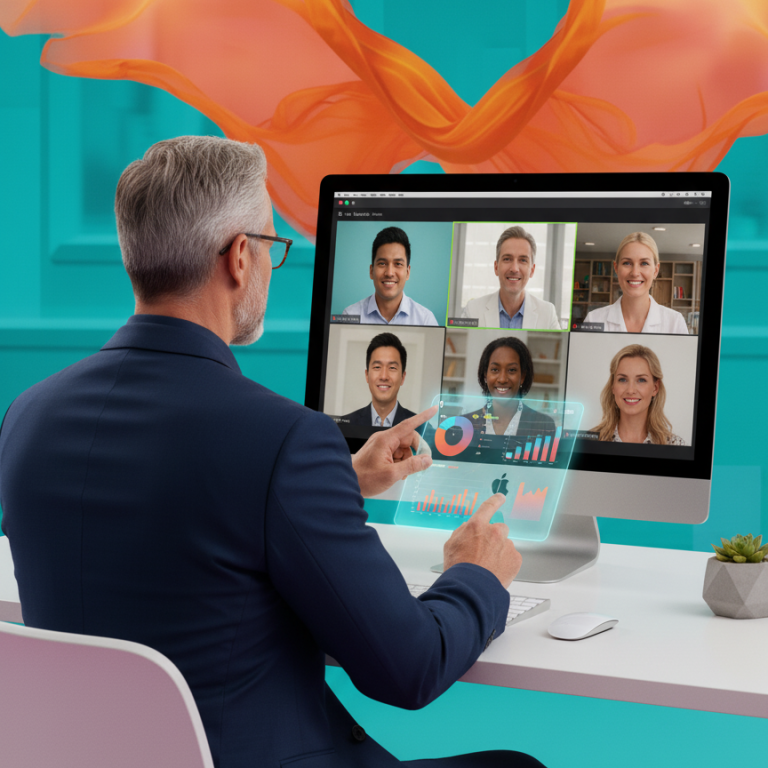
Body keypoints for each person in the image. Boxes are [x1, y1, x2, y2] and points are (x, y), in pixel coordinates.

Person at [0, 136, 544, 768]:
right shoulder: (283, 440)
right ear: (238, 258)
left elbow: (167, 531)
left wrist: (333, 482)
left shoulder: (28, 416)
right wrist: (476, 573)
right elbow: (410, 668)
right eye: (271, 245)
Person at [583, 232, 689, 334]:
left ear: (655, 271)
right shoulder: (593, 320)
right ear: (616, 268)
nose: (635, 273)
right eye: (627, 263)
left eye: (644, 263)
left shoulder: (675, 323)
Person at [461, 226, 561, 331]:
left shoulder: (548, 314)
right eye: (507, 259)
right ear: (496, 267)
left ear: (532, 270)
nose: (514, 269)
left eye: (523, 260)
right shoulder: (473, 310)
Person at [590, 344, 686, 444]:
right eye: (622, 379)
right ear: (613, 386)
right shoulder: (588, 441)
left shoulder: (675, 445)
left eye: (641, 380)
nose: (631, 390)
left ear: (655, 388)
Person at [342, 226, 439, 325]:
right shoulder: (350, 315)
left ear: (408, 272)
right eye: (382, 263)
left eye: (398, 264)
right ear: (371, 271)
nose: (389, 273)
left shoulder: (425, 320)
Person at [462, 337, 556, 438]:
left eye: (511, 370)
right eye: (495, 369)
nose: (502, 379)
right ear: (485, 375)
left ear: (522, 377)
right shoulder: (463, 425)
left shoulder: (543, 425)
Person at [341, 332, 417, 427]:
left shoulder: (420, 428)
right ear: (367, 375)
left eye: (392, 368)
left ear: (403, 377)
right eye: (377, 367)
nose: (384, 376)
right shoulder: (345, 425)